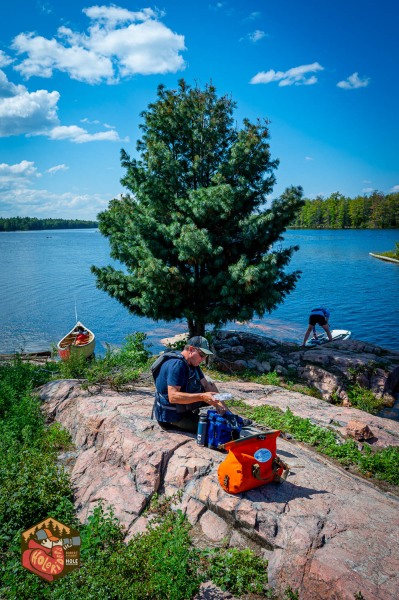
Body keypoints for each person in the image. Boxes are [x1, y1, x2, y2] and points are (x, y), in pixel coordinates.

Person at [153, 336, 227, 433]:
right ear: (191, 349)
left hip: (183, 408)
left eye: (206, 356)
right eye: (202, 354)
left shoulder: (192, 363)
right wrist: (202, 396)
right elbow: (173, 397)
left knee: (210, 384)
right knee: (219, 429)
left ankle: (229, 415)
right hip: (172, 417)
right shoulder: (177, 365)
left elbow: (205, 384)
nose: (204, 359)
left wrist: (219, 405)